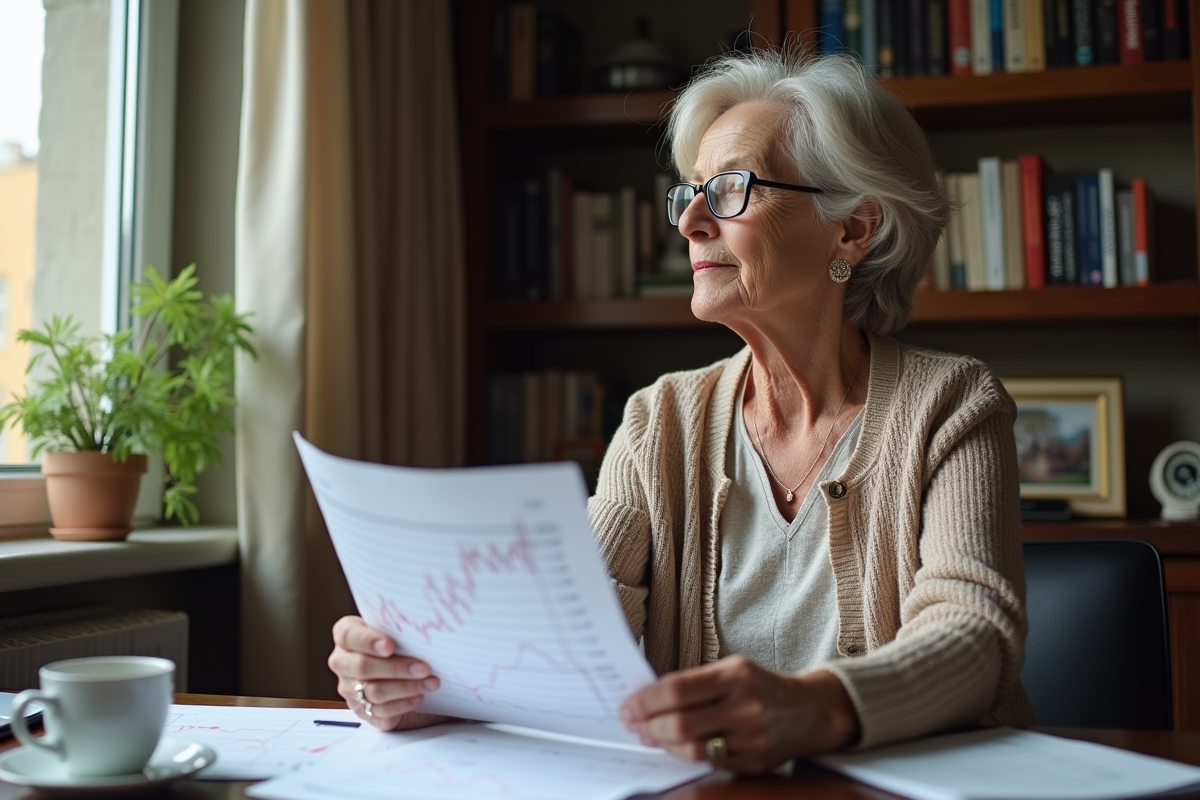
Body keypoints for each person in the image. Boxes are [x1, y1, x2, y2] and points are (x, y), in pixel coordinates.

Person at [327, 47, 1034, 772]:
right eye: (690, 192)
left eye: (729, 189)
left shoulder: (951, 404)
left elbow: (973, 634)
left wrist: (817, 708)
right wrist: (415, 674)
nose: (691, 221)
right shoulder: (660, 420)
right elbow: (559, 631)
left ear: (852, 230)